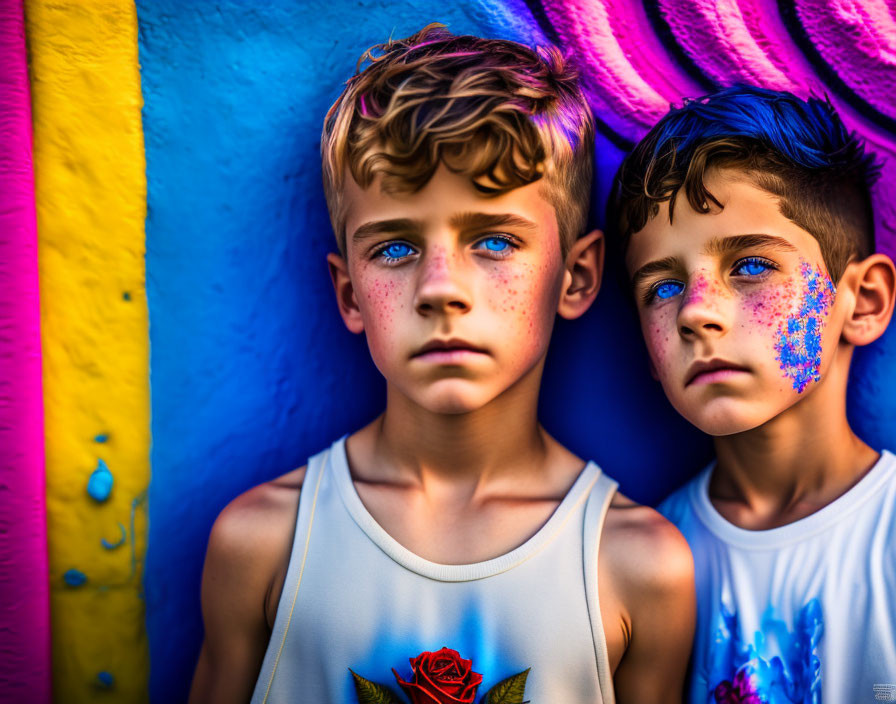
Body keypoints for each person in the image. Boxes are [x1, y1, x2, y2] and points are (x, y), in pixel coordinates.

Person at [188, 24, 694, 704]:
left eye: (492, 240)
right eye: (395, 249)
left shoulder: (638, 567)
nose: (440, 288)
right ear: (350, 294)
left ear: (575, 276)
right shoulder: (263, 545)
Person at [612, 85, 896, 704]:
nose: (695, 312)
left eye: (749, 265)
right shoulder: (641, 562)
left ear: (863, 301)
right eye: (660, 287)